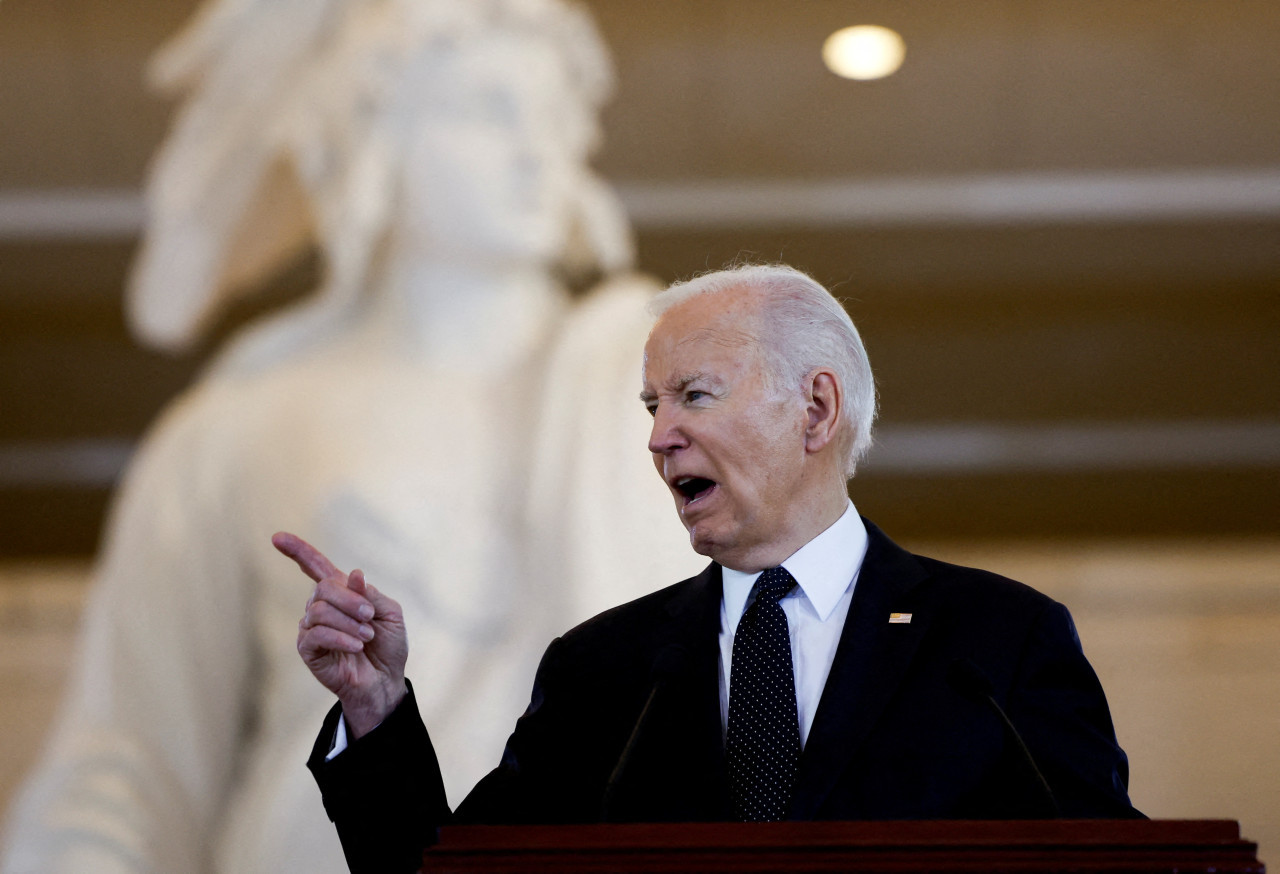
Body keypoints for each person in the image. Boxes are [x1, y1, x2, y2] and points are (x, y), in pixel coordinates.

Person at [0, 2, 702, 873]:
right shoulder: (238, 426)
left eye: (556, 114)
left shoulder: (668, 388)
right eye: (488, 110)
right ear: (373, 129)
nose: (539, 150)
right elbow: (131, 763)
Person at [280, 263, 1141, 874]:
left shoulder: (994, 640)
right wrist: (375, 705)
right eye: (653, 407)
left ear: (816, 408)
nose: (659, 437)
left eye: (695, 396)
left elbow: (1114, 864)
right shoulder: (604, 669)